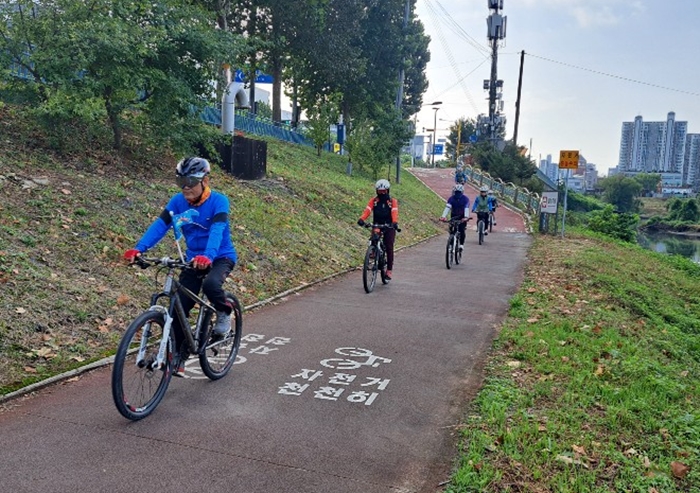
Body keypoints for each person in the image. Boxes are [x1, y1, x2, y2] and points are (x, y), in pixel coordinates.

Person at [123, 157, 237, 377]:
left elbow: (217, 231)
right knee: (180, 307)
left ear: (205, 180)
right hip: (192, 259)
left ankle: (224, 311)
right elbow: (160, 225)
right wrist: (139, 249)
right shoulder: (177, 202)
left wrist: (208, 256)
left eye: (191, 181)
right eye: (181, 181)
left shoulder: (219, 201)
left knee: (213, 285)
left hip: (220, 256)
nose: (186, 186)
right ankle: (179, 356)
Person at [357, 179, 399, 280]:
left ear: (388, 190)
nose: (382, 193)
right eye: (380, 191)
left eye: (384, 191)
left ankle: (389, 270)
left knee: (389, 246)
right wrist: (362, 219)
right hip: (377, 224)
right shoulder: (374, 201)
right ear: (377, 191)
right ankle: (373, 252)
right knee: (374, 239)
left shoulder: (392, 201)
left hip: (389, 226)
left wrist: (394, 223)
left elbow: (394, 212)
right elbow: (367, 210)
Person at [439, 184, 471, 251]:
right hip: (454, 216)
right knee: (451, 230)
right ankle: (451, 243)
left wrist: (466, 217)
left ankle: (461, 245)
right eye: (456, 192)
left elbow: (466, 208)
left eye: (459, 192)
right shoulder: (451, 199)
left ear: (462, 192)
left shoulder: (465, 199)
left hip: (462, 216)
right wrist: (443, 216)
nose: (457, 194)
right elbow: (447, 207)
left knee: (462, 230)